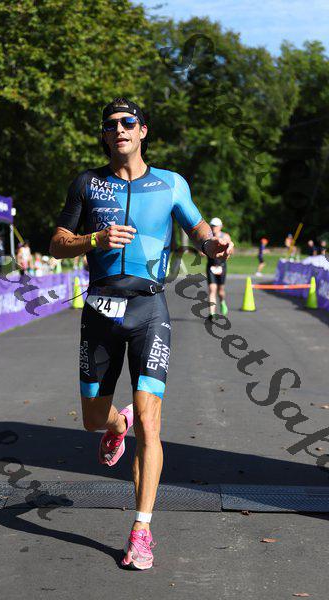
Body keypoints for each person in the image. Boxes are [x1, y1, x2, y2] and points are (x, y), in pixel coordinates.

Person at [50, 97, 233, 570]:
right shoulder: (87, 183)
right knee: (93, 419)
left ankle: (142, 530)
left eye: (128, 122)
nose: (120, 129)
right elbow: (57, 242)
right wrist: (94, 239)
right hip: (100, 308)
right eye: (111, 124)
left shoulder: (170, 183)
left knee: (152, 424)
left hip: (150, 309)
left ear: (143, 130)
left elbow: (199, 230)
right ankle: (117, 425)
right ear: (105, 135)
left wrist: (215, 245)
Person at [205, 217, 232, 319]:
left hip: (222, 266)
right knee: (212, 289)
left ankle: (222, 301)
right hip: (211, 266)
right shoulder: (208, 237)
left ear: (220, 226)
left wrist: (228, 250)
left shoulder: (225, 236)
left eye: (216, 226)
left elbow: (231, 249)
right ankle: (212, 313)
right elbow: (201, 250)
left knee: (220, 291)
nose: (214, 228)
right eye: (212, 226)